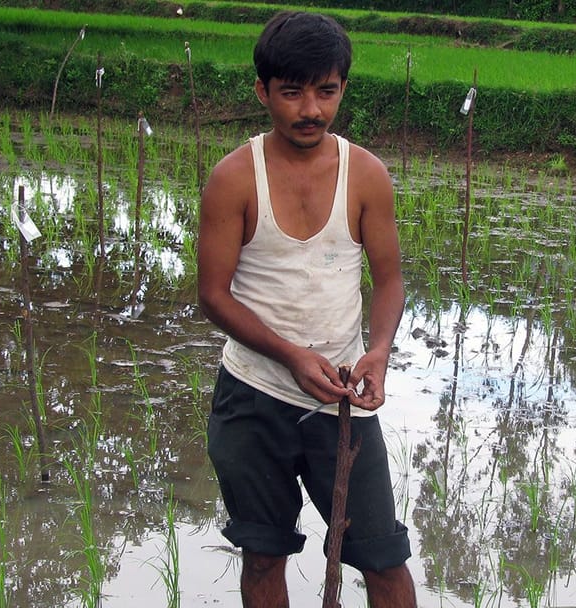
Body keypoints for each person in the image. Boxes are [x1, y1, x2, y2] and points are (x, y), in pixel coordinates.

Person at [196, 10, 416, 608]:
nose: (310, 110)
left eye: (326, 91)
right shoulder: (234, 179)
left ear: (343, 88)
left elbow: (390, 280)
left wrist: (377, 352)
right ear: (263, 91)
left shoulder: (365, 175)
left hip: (342, 402)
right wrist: (291, 355)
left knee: (382, 556)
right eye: (291, 93)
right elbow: (212, 294)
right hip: (252, 397)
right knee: (264, 554)